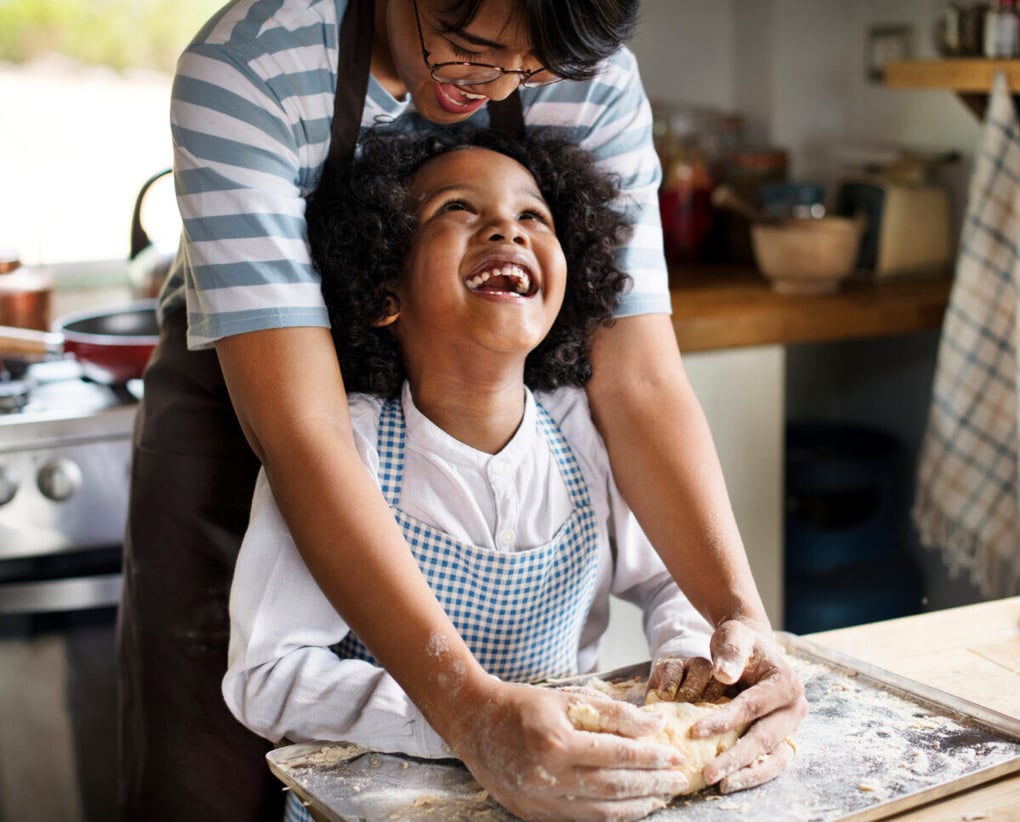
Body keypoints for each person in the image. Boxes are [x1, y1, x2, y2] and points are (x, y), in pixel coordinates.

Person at [118, 2, 807, 821]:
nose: (497, 86)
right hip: (255, 397)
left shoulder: (566, 437)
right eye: (470, 51)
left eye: (532, 70)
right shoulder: (251, 68)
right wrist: (466, 712)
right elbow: (305, 432)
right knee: (208, 785)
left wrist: (738, 622)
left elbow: (640, 383)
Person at [227, 125, 721, 820]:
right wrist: (459, 722)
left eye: (533, 216)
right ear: (381, 290)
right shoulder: (344, 450)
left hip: (562, 796)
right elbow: (269, 678)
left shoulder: (587, 433)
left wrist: (689, 660)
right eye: (458, 209)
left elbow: (672, 578)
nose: (506, 229)